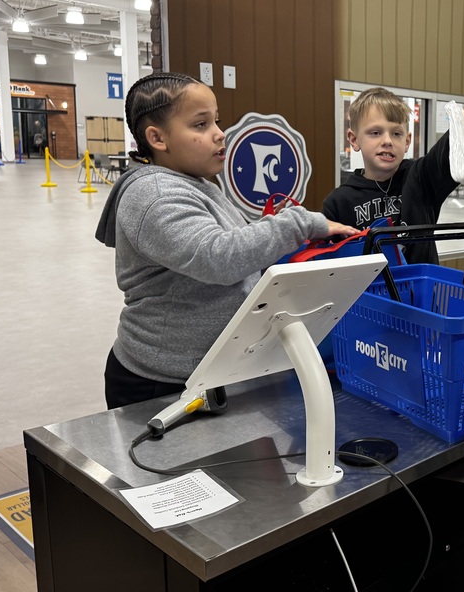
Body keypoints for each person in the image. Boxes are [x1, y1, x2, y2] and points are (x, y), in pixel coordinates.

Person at [96, 72, 357, 410]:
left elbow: (230, 242)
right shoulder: (154, 194)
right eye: (201, 125)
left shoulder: (196, 182)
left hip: (208, 371)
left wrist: (273, 234)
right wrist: (302, 223)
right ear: (158, 138)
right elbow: (219, 258)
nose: (220, 134)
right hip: (159, 383)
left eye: (216, 121)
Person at [321, 87, 464, 264]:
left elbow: (446, 151)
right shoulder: (338, 203)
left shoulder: (420, 178)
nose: (387, 141)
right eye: (375, 133)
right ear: (354, 140)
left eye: (396, 134)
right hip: (368, 291)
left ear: (407, 141)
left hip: (421, 289)